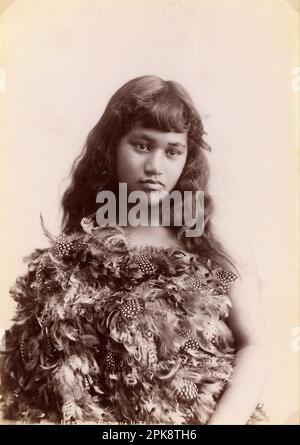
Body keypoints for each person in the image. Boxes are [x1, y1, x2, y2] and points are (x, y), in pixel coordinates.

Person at [0, 75, 269, 424]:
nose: (156, 167)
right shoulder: (86, 239)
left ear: (187, 158)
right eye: (142, 145)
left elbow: (255, 345)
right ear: (111, 146)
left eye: (173, 151)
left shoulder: (211, 232)